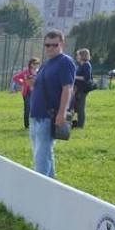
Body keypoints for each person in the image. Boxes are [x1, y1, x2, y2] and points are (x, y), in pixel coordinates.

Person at [29, 29, 76, 179]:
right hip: (36, 115)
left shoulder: (65, 62)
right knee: (42, 154)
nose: (50, 48)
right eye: (47, 45)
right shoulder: (46, 64)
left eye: (54, 45)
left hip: (48, 116)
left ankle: (42, 187)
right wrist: (33, 84)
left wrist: (62, 112)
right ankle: (51, 184)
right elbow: (41, 86)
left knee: (42, 157)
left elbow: (67, 88)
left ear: (62, 44)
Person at [12, 58, 39, 129]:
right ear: (30, 64)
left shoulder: (39, 72)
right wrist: (23, 84)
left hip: (36, 93)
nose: (36, 65)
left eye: (37, 64)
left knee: (36, 109)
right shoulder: (26, 72)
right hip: (27, 93)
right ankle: (27, 125)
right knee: (28, 108)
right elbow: (15, 78)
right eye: (34, 64)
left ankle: (35, 124)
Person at [72, 48, 92, 129]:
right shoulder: (80, 65)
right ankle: (76, 123)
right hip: (78, 88)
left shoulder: (86, 65)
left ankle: (80, 125)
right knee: (76, 105)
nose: (77, 56)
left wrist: (75, 77)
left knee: (80, 106)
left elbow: (86, 78)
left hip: (83, 89)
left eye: (78, 55)